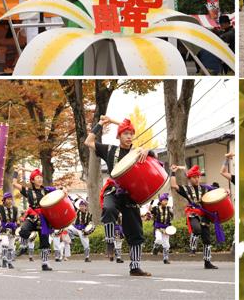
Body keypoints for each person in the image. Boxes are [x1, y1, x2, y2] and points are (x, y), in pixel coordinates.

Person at [84, 116, 155, 276]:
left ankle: (135, 267)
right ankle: (109, 242)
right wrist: (100, 124)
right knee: (108, 208)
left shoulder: (137, 152)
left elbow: (154, 160)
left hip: (131, 194)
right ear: (119, 136)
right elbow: (88, 142)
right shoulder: (109, 150)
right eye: (125, 133)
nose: (129, 136)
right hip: (114, 190)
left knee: (136, 233)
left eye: (131, 133)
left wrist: (147, 151)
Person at [170, 164, 220, 269]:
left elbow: (217, 192)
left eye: (198, 177)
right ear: (189, 178)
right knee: (197, 230)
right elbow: (174, 185)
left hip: (204, 215)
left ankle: (207, 262)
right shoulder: (186, 189)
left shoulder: (206, 188)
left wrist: (226, 191)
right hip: (193, 214)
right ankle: (192, 248)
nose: (196, 179)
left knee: (207, 240)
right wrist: (173, 172)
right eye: (194, 177)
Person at [12, 169, 58, 271]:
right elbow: (14, 184)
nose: (40, 179)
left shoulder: (46, 190)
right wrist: (16, 173)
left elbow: (58, 191)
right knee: (23, 230)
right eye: (38, 178)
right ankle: (24, 246)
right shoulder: (28, 191)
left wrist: (63, 190)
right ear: (32, 180)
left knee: (44, 242)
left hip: (44, 219)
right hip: (32, 217)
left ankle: (45, 263)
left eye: (41, 177)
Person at [149, 193, 174, 264]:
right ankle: (155, 249)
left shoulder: (169, 208)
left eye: (166, 200)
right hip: (158, 228)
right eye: (164, 200)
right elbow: (150, 210)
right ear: (160, 201)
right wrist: (151, 202)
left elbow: (171, 218)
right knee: (158, 239)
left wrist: (170, 227)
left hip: (166, 228)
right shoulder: (156, 208)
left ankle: (166, 259)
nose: (166, 201)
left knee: (166, 245)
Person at [0, 192, 19, 269]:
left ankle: (9, 262)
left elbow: (16, 220)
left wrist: (16, 225)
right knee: (5, 243)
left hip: (12, 230)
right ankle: (3, 260)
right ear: (4, 200)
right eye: (8, 199)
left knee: (11, 247)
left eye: (11, 199)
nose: (10, 201)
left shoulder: (15, 209)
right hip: (4, 229)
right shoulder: (0, 207)